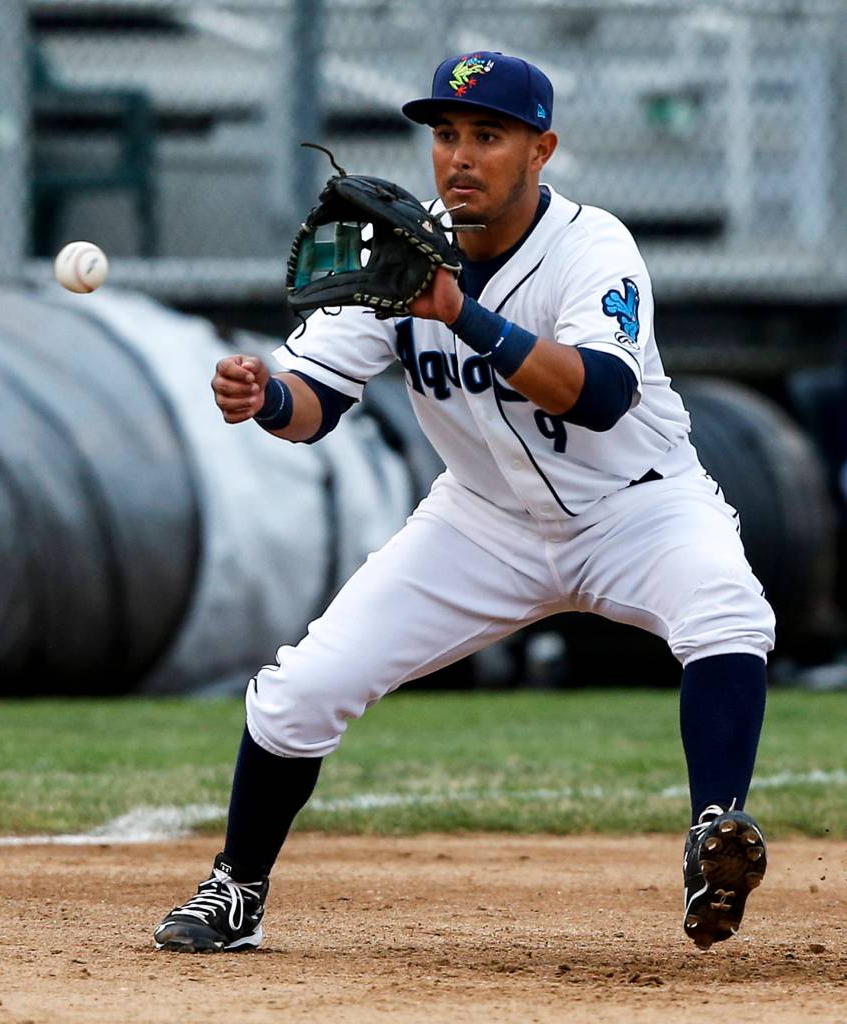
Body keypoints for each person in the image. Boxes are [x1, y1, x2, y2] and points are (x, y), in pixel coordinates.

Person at [154, 51, 774, 954]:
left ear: (541, 149)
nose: (460, 156)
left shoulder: (594, 245)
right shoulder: (399, 249)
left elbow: (600, 394)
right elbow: (318, 405)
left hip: (640, 505)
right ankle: (236, 887)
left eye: (489, 135)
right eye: (446, 135)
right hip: (481, 522)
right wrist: (266, 398)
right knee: (300, 693)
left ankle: (715, 835)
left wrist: (463, 316)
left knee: (728, 611)